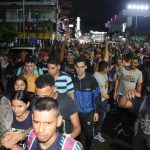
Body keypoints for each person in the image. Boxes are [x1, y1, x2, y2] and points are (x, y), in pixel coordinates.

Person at [2, 97, 83, 150]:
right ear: (32, 118)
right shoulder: (31, 136)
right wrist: (12, 145)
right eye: (36, 122)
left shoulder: (72, 147)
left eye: (48, 123)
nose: (40, 130)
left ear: (58, 121)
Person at [35, 74, 81, 139]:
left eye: (45, 96)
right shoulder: (36, 101)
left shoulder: (67, 102)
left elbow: (77, 127)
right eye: (39, 96)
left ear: (54, 89)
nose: (41, 100)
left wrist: (67, 139)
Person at [74, 57, 100, 150]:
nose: (79, 69)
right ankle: (78, 147)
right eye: (77, 67)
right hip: (75, 112)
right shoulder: (72, 80)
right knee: (76, 132)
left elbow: (97, 96)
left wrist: (96, 112)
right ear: (75, 67)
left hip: (89, 112)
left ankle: (87, 148)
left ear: (85, 67)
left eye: (81, 67)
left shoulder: (92, 80)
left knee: (88, 135)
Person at [118, 85, 150, 150]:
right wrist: (127, 94)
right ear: (148, 89)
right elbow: (121, 104)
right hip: (139, 140)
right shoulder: (143, 101)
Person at [93, 61, 109, 142]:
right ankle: (93, 132)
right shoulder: (96, 76)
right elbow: (94, 89)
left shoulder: (105, 74)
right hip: (97, 100)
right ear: (104, 68)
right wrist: (103, 95)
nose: (109, 69)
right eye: (107, 67)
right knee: (95, 116)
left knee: (102, 117)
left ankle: (97, 132)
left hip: (104, 100)